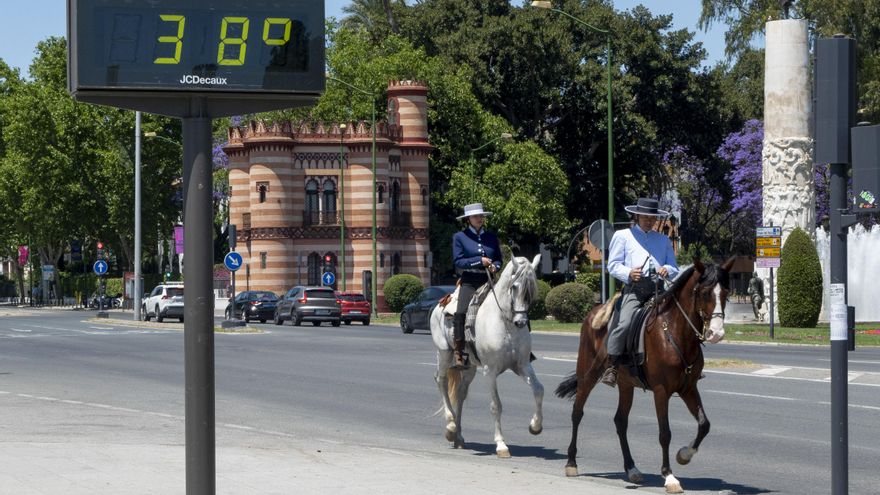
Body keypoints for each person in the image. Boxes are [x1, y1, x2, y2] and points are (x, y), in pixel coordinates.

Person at [601, 198, 679, 387]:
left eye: (652, 218)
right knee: (625, 323)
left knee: (680, 319)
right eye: (645, 217)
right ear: (637, 216)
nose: (649, 221)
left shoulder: (663, 240)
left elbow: (674, 267)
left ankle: (684, 364)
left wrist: (667, 269)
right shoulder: (623, 236)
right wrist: (628, 273)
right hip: (634, 289)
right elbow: (613, 265)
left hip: (658, 289)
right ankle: (612, 365)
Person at [451, 203, 502, 369]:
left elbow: (499, 259)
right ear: (468, 219)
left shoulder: (491, 237)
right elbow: (458, 262)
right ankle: (459, 351)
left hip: (489, 280)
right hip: (470, 281)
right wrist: (479, 261)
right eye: (475, 216)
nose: (479, 219)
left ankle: (522, 348)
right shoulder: (460, 237)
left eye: (481, 216)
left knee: (510, 305)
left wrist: (495, 266)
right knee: (461, 312)